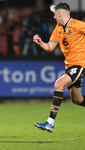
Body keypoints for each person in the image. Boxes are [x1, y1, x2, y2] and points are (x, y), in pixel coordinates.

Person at [33, 2, 85, 132]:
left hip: (80, 64)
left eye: (55, 15)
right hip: (69, 66)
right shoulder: (58, 28)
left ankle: (50, 122)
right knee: (77, 100)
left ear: (60, 14)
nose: (54, 17)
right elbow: (50, 47)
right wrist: (40, 42)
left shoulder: (78, 25)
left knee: (58, 84)